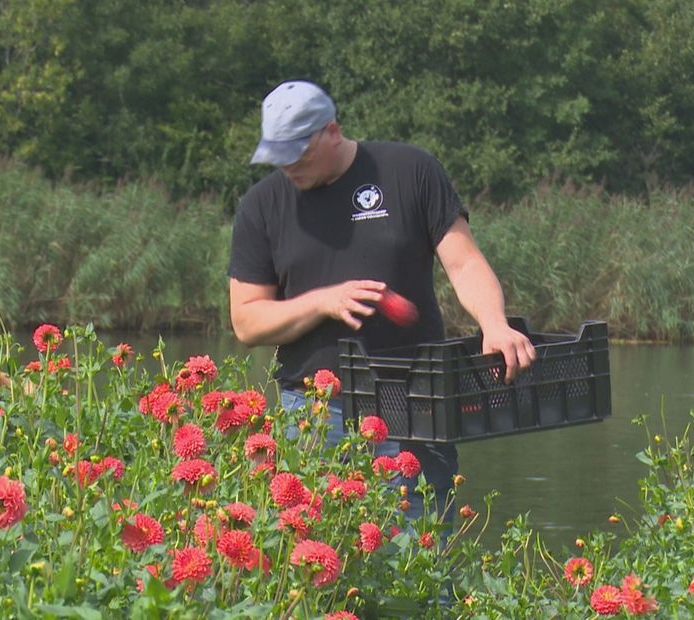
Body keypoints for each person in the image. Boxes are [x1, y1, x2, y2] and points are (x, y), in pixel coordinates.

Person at [228, 80, 536, 521]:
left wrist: (495, 323)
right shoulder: (261, 206)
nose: (286, 165)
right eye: (277, 154)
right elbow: (247, 321)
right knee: (323, 555)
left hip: (417, 404)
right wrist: (323, 302)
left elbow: (464, 263)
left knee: (422, 556)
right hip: (315, 415)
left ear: (331, 130)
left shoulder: (410, 171)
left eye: (298, 151)